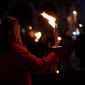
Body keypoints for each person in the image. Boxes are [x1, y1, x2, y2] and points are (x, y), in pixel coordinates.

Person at [0, 16, 62, 85]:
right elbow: (38, 65)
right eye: (17, 30)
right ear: (14, 31)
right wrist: (54, 54)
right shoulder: (15, 50)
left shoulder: (4, 48)